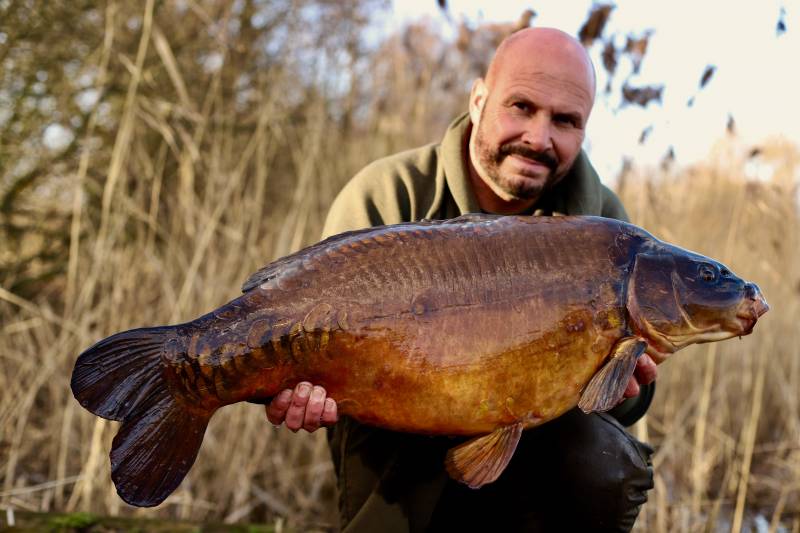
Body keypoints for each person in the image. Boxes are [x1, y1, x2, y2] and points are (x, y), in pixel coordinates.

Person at [265, 28, 656, 532]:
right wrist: (294, 383)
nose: (538, 138)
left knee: (603, 459)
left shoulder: (606, 227)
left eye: (564, 120)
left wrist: (632, 385)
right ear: (478, 101)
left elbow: (627, 404)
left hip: (535, 433)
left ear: (584, 129)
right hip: (395, 412)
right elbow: (306, 330)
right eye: (521, 107)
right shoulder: (386, 195)